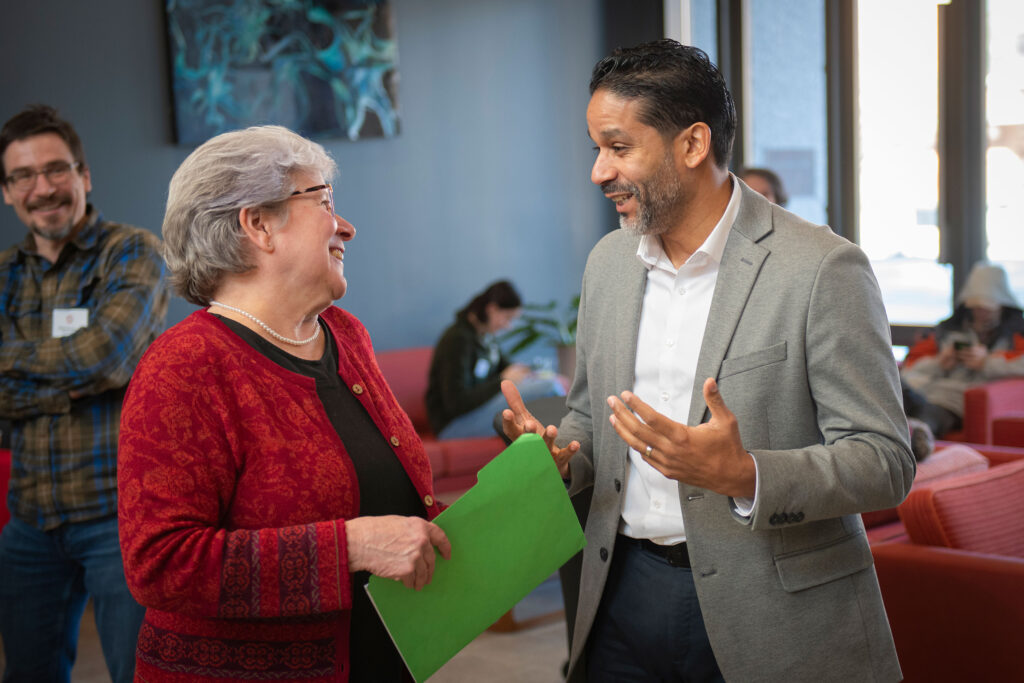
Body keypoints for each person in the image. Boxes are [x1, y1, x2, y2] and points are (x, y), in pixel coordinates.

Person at [501, 40, 914, 682]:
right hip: (619, 591)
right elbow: (588, 413)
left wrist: (747, 473)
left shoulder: (821, 269)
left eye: (618, 147)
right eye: (596, 150)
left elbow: (885, 462)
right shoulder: (609, 264)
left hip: (773, 612)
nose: (598, 173)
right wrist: (560, 458)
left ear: (692, 145)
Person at [117, 125, 451, 682]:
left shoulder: (346, 334)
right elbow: (162, 565)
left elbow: (396, 506)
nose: (346, 225)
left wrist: (528, 477)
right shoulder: (184, 366)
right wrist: (350, 546)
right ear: (259, 225)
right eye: (323, 201)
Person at [0, 105, 168, 682]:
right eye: (23, 176)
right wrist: (71, 386)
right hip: (28, 523)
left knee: (138, 674)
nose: (42, 188)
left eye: (56, 169)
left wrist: (21, 382)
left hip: (118, 518)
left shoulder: (132, 252)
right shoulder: (2, 275)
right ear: (6, 192)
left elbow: (106, 357)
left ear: (85, 174)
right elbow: (88, 369)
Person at [426, 280, 564, 439]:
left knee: (547, 382)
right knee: (549, 387)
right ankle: (566, 443)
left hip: (475, 413)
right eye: (507, 318)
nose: (508, 326)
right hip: (453, 426)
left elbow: (508, 366)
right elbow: (456, 403)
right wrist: (502, 380)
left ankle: (552, 444)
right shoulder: (458, 340)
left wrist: (531, 373)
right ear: (492, 309)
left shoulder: (485, 337)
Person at [902, 262, 1024, 439]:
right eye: (976, 307)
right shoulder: (945, 332)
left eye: (986, 307)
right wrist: (940, 363)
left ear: (1002, 305)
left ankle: (914, 439)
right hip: (922, 391)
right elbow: (909, 369)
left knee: (930, 415)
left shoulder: (1017, 335)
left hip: (954, 402)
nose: (981, 312)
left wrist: (986, 363)